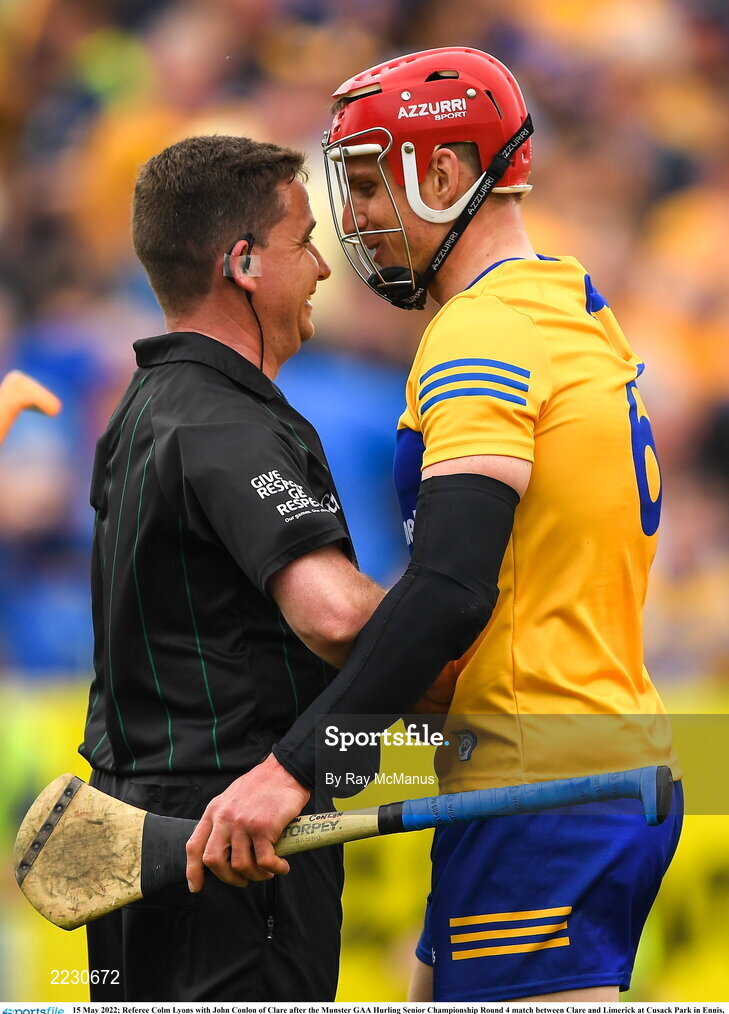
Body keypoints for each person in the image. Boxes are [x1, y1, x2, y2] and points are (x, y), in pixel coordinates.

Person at [185, 50, 683, 1003]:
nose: (355, 214)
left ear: (445, 173)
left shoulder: (481, 331)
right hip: (575, 763)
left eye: (370, 181)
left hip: (543, 779)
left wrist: (296, 770)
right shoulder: (564, 303)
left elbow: (453, 587)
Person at [78, 134, 386, 1002]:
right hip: (235, 844)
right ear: (243, 263)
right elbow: (336, 616)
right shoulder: (225, 421)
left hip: (138, 842)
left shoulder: (142, 408)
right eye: (304, 244)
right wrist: (455, 615)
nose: (323, 270)